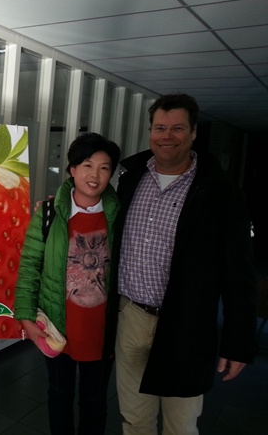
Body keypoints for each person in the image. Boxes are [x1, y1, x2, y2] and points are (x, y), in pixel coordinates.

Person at [112, 93, 257, 435]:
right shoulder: (130, 180)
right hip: (131, 316)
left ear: (193, 133)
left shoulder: (221, 193)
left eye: (177, 128)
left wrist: (238, 343)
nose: (167, 136)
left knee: (180, 425)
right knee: (135, 419)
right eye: (160, 127)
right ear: (151, 132)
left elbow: (239, 275)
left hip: (187, 323)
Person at [14, 132, 121, 435]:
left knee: (94, 401)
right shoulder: (49, 214)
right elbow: (30, 266)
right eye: (87, 165)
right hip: (58, 327)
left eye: (104, 168)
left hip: (101, 330)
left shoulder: (119, 215)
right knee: (59, 395)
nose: (95, 175)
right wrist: (25, 316)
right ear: (72, 169)